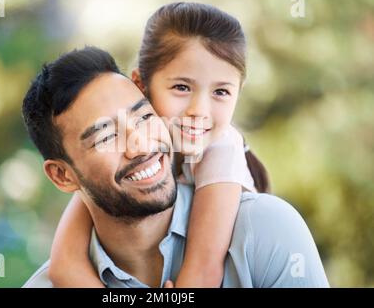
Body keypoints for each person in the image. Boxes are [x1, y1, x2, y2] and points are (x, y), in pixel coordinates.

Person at [21, 46, 329, 288]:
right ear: (63, 176)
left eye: (143, 117)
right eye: (106, 136)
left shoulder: (265, 232)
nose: (140, 145)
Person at [49, 2, 270, 288]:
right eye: (182, 87)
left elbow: (202, 274)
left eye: (221, 92)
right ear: (140, 84)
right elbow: (66, 267)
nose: (199, 110)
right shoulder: (127, 158)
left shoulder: (222, 149)